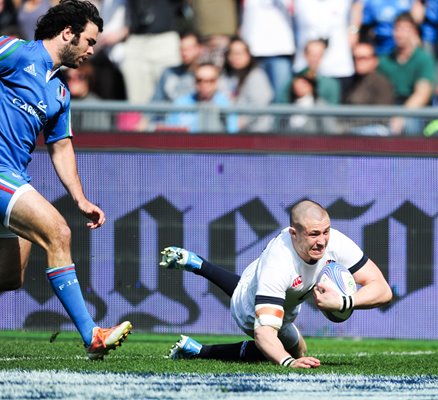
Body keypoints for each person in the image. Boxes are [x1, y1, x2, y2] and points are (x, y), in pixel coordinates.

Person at [0, 0, 131, 359]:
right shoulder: (14, 51)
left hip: (14, 174)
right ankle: (92, 334)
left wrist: (80, 198)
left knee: (10, 275)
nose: (92, 50)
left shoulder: (59, 91)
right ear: (68, 33)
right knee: (58, 233)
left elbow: (60, 148)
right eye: (89, 41)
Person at [159, 199, 393, 368]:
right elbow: (263, 333)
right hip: (249, 310)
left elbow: (382, 290)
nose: (322, 242)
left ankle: (198, 264)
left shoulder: (335, 241)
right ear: (293, 233)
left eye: (326, 232)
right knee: (295, 349)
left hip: (272, 290)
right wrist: (288, 362)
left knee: (291, 337)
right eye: (314, 234)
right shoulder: (279, 263)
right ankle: (200, 351)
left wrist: (345, 301)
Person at [162, 62, 237, 133]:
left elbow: (232, 134)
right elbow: (171, 132)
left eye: (210, 81)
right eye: (199, 80)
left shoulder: (226, 104)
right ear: (194, 81)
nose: (204, 85)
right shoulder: (180, 103)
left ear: (217, 82)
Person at [152, 30, 207, 103]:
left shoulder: (208, 76)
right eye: (182, 49)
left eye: (189, 49)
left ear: (200, 48)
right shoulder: (168, 73)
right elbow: (156, 102)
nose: (184, 53)